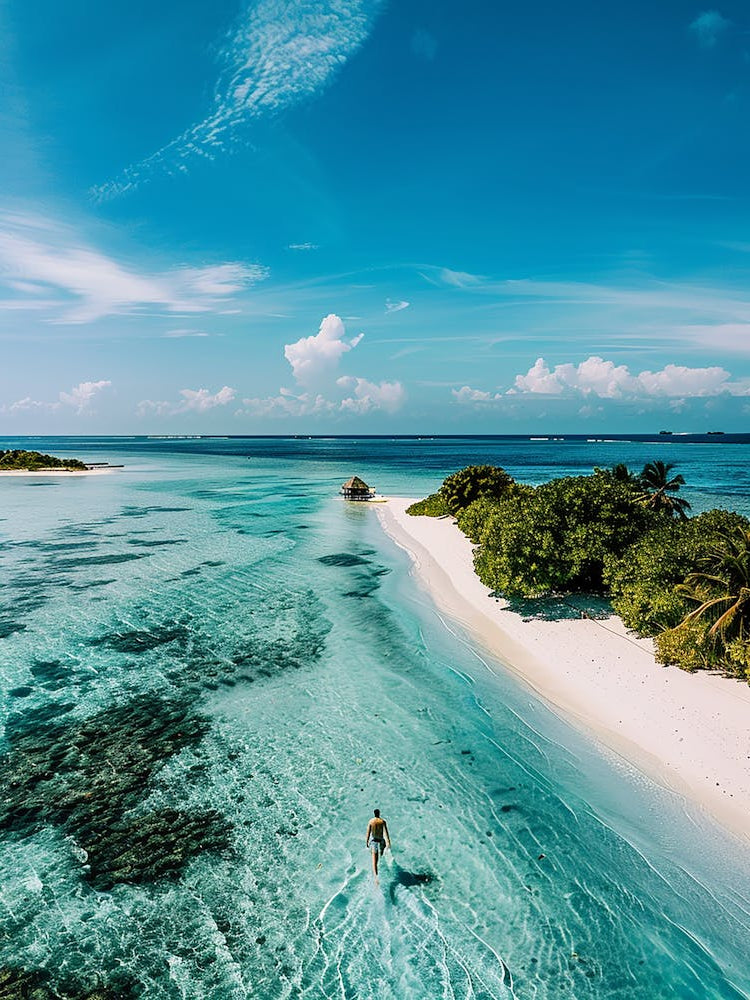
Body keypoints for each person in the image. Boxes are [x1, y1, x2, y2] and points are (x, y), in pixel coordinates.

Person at [365, 808, 391, 878]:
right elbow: (386, 833)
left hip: (374, 842)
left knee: (374, 862)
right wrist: (388, 842)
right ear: (379, 813)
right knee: (381, 858)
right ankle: (381, 873)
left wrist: (367, 842)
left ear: (374, 813)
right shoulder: (382, 821)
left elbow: (368, 832)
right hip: (381, 841)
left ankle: (376, 878)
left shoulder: (371, 821)